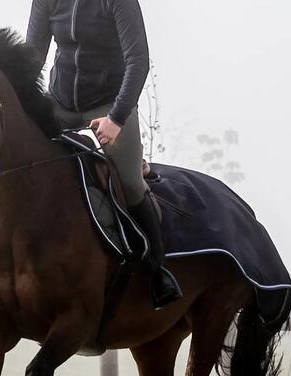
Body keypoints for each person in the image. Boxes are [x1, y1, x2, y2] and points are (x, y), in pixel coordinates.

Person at [27, 0, 180, 308]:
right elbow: (31, 59)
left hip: (108, 108)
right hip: (59, 106)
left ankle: (157, 272)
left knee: (132, 184)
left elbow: (138, 61)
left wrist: (117, 119)